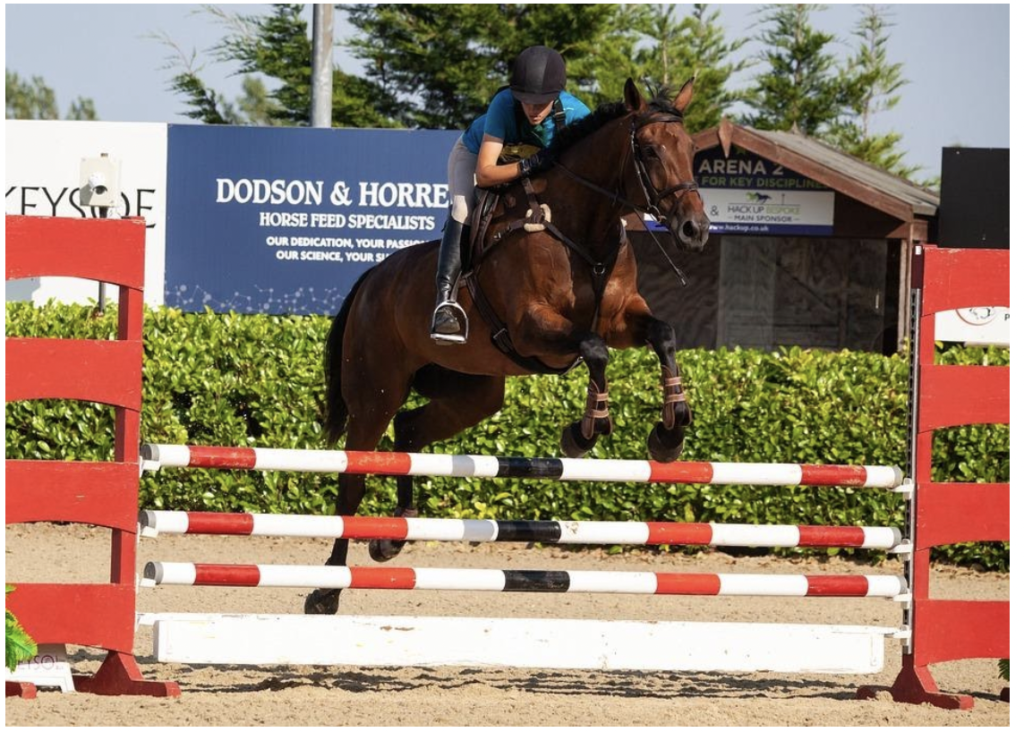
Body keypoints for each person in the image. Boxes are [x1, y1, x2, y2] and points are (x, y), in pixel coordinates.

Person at [430, 45, 591, 344]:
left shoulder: (576, 114)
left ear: (557, 96)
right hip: (475, 155)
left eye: (541, 102)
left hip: (529, 169)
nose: (533, 108)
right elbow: (486, 174)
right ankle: (445, 302)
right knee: (464, 208)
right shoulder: (504, 104)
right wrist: (531, 164)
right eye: (527, 101)